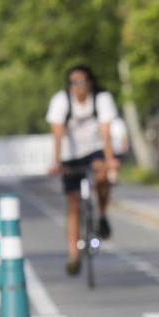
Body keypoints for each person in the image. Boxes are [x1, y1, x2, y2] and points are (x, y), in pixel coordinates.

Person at [46, 64, 121, 275]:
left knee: (102, 175)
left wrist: (110, 159)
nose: (77, 87)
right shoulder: (60, 101)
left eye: (82, 82)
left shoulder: (101, 98)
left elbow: (106, 132)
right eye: (73, 83)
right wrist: (56, 162)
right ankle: (73, 254)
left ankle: (102, 214)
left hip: (94, 149)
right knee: (72, 204)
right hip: (70, 155)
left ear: (90, 83)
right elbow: (58, 133)